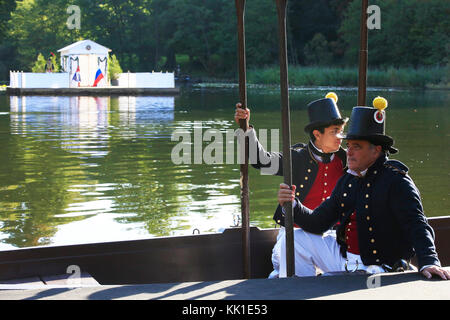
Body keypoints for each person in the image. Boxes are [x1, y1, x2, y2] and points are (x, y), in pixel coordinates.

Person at [276, 97, 449, 280]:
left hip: (379, 268)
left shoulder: (396, 181)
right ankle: (299, 290)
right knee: (294, 239)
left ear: (376, 150)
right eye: (348, 145)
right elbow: (319, 222)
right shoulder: (348, 180)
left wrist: (429, 261)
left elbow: (417, 225)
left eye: (356, 147)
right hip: (345, 259)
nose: (348, 152)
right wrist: (293, 204)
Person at [234, 92, 348, 278]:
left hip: (332, 238)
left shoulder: (347, 159)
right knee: (291, 254)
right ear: (317, 134)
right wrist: (246, 128)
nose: (340, 137)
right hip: (294, 235)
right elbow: (261, 161)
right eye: (335, 131)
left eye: (341, 130)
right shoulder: (298, 157)